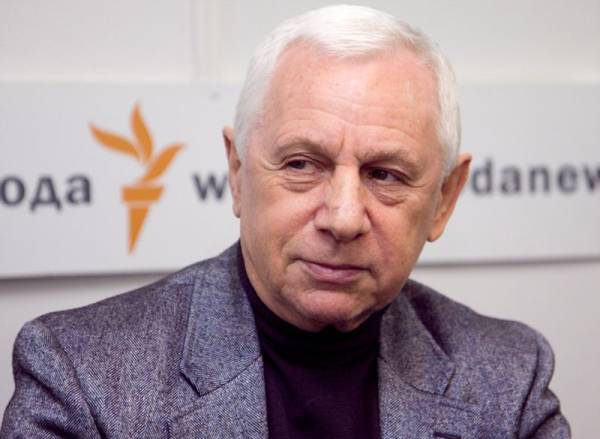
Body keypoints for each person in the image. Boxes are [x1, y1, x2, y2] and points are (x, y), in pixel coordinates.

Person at [1, 5, 569, 438]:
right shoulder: (79, 376)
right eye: (302, 164)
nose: (343, 218)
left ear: (443, 199)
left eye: (385, 175)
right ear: (237, 172)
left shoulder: (509, 376)